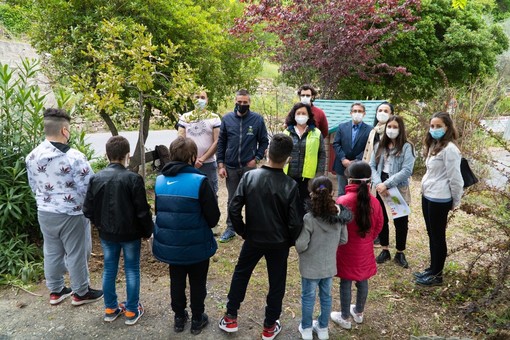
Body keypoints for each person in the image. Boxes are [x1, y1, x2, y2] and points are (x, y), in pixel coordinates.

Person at [218, 133, 303, 340]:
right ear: (288, 158)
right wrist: (289, 240)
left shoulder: (249, 177)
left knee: (241, 274)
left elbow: (234, 208)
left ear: (267, 152)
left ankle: (231, 316)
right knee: (277, 282)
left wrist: (243, 231)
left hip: (254, 238)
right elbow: (295, 222)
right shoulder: (290, 185)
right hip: (279, 242)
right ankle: (269, 325)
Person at [25, 108, 103, 306]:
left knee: (51, 250)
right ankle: (81, 292)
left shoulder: (32, 156)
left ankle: (56, 290)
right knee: (76, 253)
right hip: (71, 213)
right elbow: (89, 187)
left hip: (45, 211)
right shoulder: (74, 157)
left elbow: (33, 185)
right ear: (65, 130)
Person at [152, 137, 220, 335]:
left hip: (172, 245)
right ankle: (198, 318)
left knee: (177, 280)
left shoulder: (160, 181)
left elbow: (160, 211)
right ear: (192, 157)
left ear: (172, 156)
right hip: (197, 245)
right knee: (198, 282)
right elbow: (213, 217)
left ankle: (179, 317)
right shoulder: (200, 181)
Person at [83, 136, 153, 325]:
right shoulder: (133, 178)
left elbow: (87, 209)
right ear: (127, 155)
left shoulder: (96, 178)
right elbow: (142, 210)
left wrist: (100, 224)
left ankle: (110, 308)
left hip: (107, 233)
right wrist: (148, 231)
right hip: (130, 234)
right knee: (131, 269)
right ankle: (131, 310)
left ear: (107, 155)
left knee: (109, 269)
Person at [295, 176, 351, 340]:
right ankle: (323, 328)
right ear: (332, 193)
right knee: (326, 297)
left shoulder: (309, 219)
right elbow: (344, 239)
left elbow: (301, 245)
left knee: (308, 298)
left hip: (310, 268)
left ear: (311, 193)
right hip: (328, 267)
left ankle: (306, 328)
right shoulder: (339, 217)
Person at [330, 162, 383, 330]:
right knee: (362, 280)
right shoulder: (374, 202)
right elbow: (379, 225)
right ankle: (359, 312)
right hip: (365, 249)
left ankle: (345, 315)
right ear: (368, 181)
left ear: (350, 180)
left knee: (345, 282)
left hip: (345, 250)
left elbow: (335, 227)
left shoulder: (342, 200)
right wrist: (368, 239)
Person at [415, 112, 463, 286]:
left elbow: (456, 179)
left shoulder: (450, 149)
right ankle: (432, 269)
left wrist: (455, 201)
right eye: (432, 126)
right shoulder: (435, 145)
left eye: (438, 126)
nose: (434, 129)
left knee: (438, 236)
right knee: (431, 234)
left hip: (440, 198)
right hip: (428, 195)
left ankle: (437, 275)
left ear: (447, 128)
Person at [216, 89, 269, 243]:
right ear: (235, 101)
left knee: (252, 198)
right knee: (232, 199)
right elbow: (221, 143)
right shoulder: (227, 119)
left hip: (249, 167)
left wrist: (257, 158)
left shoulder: (257, 120)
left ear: (249, 103)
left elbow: (264, 141)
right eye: (239, 102)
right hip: (231, 167)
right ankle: (231, 228)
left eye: (245, 102)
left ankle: (252, 228)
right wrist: (221, 164)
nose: (242, 105)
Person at [369, 116, 416, 268]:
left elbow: (407, 170)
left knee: (400, 220)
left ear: (400, 129)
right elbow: (372, 166)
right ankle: (384, 249)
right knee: (381, 218)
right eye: (389, 126)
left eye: (395, 127)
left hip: (396, 186)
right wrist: (378, 183)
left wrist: (387, 184)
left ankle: (400, 252)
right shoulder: (379, 146)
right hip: (380, 185)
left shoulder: (407, 147)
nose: (391, 130)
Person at [283, 103, 326, 217]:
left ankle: (305, 230)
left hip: (308, 178)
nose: (301, 116)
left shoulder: (316, 133)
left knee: (307, 206)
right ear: (294, 115)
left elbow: (322, 154)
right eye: (298, 113)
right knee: (290, 205)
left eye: (304, 113)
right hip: (289, 176)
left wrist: (319, 175)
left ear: (309, 116)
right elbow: (281, 154)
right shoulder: (287, 132)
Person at [177, 90, 221, 196]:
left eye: (202, 97)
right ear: (192, 100)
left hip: (208, 163)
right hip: (189, 164)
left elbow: (217, 141)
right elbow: (180, 140)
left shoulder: (214, 118)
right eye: (197, 97)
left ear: (207, 101)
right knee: (191, 193)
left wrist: (202, 159)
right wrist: (191, 159)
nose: (199, 100)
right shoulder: (185, 118)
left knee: (211, 193)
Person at [363, 101, 394, 247]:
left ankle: (397, 246)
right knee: (377, 209)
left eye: (386, 111)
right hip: (373, 175)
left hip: (389, 178)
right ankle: (380, 237)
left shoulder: (393, 134)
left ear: (392, 114)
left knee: (396, 210)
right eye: (380, 110)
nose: (382, 113)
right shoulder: (373, 131)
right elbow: (368, 153)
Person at [332, 102, 372, 196]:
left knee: (358, 194)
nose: (357, 113)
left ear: (364, 113)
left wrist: (356, 161)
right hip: (342, 166)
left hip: (359, 167)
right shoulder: (342, 127)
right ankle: (342, 210)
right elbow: (336, 144)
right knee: (342, 192)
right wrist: (343, 159)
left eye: (360, 111)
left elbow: (369, 147)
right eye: (355, 111)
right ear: (351, 113)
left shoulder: (370, 129)